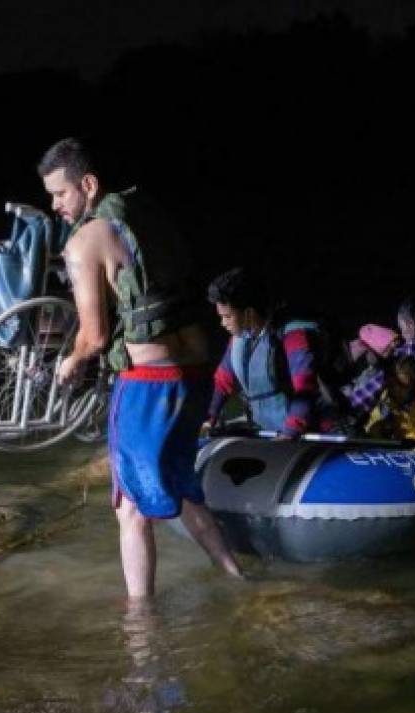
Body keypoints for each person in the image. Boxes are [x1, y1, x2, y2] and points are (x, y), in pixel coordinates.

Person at [40, 137, 242, 598]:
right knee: (182, 484)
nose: (55, 206)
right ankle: (236, 578)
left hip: (149, 385)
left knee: (129, 509)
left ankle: (142, 627)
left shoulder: (83, 243)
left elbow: (92, 338)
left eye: (60, 193)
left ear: (87, 184)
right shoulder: (144, 214)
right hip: (195, 376)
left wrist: (69, 363)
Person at [205, 267, 340, 438]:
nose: (222, 323)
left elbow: (305, 388)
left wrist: (290, 432)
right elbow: (222, 382)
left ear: (249, 313)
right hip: (271, 432)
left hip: (311, 433)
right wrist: (210, 418)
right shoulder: (240, 339)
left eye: (227, 316)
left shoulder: (294, 335)